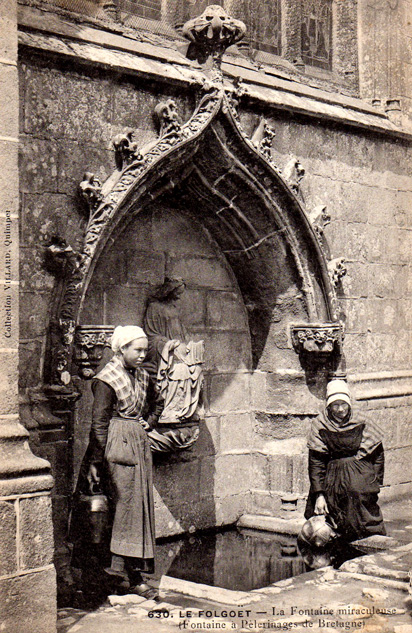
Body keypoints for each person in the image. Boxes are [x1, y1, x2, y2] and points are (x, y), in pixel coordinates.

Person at [87, 325, 158, 599]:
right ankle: (117, 575)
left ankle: (130, 573)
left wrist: (147, 422)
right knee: (120, 512)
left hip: (137, 447)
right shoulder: (107, 380)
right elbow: (98, 424)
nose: (142, 355)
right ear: (122, 349)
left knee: (135, 510)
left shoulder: (142, 375)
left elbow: (157, 403)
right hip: (112, 452)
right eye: (137, 350)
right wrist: (100, 461)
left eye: (144, 350)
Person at [304, 379, 385, 542]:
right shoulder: (320, 424)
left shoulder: (361, 419)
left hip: (360, 474)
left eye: (344, 404)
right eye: (335, 405)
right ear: (328, 406)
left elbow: (378, 453)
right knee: (330, 520)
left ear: (349, 402)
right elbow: (316, 462)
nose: (340, 409)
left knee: (361, 511)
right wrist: (319, 494)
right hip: (332, 476)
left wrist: (374, 480)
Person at [143, 277, 204, 425]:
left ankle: (188, 410)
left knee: (196, 369)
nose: (179, 296)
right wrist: (169, 345)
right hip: (165, 351)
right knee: (180, 370)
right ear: (169, 290)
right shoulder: (154, 308)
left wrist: (190, 345)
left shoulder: (175, 308)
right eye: (177, 292)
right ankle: (171, 409)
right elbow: (151, 337)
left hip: (179, 349)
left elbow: (182, 332)